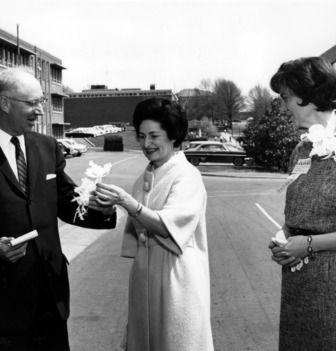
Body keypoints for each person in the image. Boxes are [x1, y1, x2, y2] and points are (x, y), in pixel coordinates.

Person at [0, 67, 116, 350]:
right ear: (4, 103)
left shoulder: (48, 146)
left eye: (41, 102)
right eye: (32, 103)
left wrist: (102, 208)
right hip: (4, 300)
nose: (39, 110)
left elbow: (67, 202)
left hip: (51, 294)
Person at [95, 97, 214, 351]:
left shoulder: (187, 175)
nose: (146, 144)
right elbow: (138, 226)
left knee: (175, 341)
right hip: (145, 276)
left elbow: (167, 225)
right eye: (141, 136)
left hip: (176, 277)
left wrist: (129, 203)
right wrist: (109, 206)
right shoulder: (143, 178)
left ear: (173, 135)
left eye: (154, 136)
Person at [268, 56, 336, 350]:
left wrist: (309, 244)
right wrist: (284, 238)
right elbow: (300, 215)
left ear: (308, 96)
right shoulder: (301, 149)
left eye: (285, 98)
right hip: (299, 287)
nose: (282, 106)